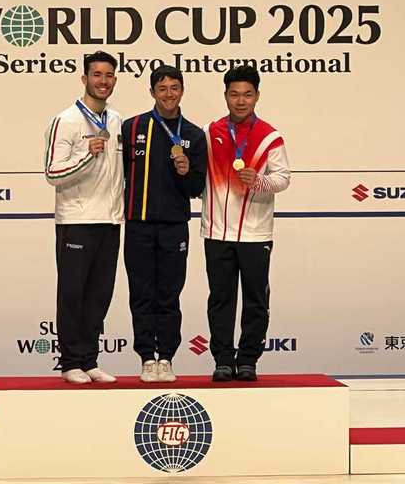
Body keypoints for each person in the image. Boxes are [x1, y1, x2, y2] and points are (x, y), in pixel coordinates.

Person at [201, 65, 290, 382]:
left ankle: (249, 359)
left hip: (256, 233)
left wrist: (260, 181)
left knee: (256, 300)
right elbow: (198, 175)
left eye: (247, 95)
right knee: (220, 299)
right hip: (216, 231)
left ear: (257, 96)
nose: (241, 101)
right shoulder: (210, 132)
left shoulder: (270, 136)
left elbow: (283, 178)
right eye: (234, 94)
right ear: (225, 96)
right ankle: (223, 360)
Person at [43, 51, 124, 384]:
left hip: (110, 220)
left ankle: (89, 360)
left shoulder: (116, 120)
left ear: (114, 80)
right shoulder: (66, 120)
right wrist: (86, 156)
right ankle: (70, 362)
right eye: (97, 74)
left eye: (108, 75)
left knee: (99, 295)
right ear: (84, 78)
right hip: (76, 219)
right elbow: (52, 172)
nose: (103, 81)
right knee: (72, 294)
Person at [122, 65, 207, 383]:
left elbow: (196, 188)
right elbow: (119, 175)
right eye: (162, 88)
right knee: (141, 294)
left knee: (169, 295)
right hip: (138, 225)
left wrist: (186, 173)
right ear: (152, 92)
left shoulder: (194, 135)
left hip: (174, 227)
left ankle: (167, 358)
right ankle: (147, 357)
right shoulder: (132, 127)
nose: (168, 94)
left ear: (182, 91)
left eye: (174, 88)